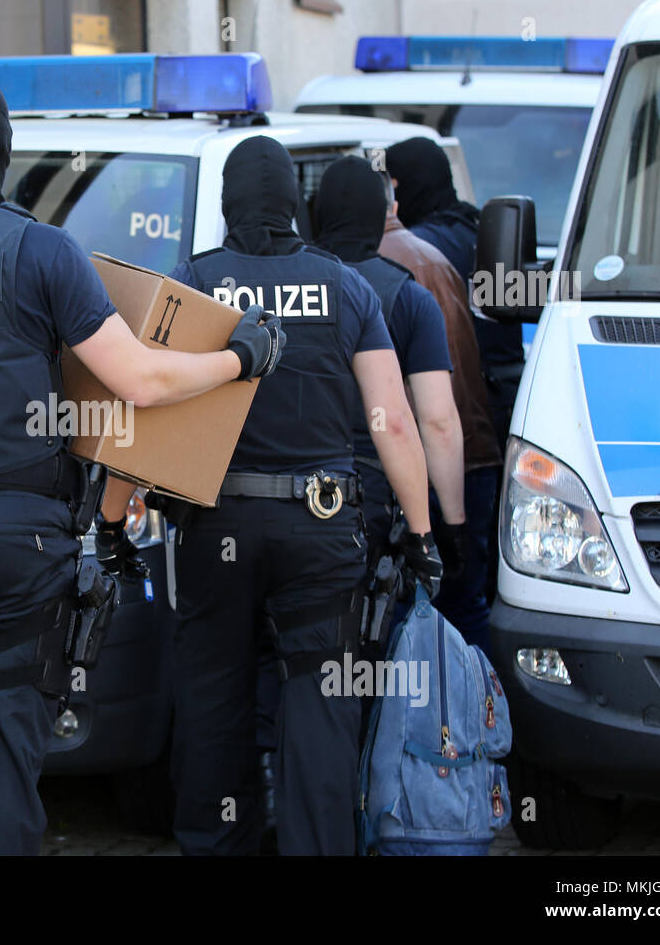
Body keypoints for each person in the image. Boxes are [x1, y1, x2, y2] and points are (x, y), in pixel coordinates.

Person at [0, 71, 284, 856]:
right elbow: (138, 381)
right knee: (1, 742)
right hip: (15, 537)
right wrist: (241, 357)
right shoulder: (37, 250)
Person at [166, 135, 442, 856]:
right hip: (320, 525)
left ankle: (217, 843)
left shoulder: (192, 282)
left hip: (214, 520)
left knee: (213, 693)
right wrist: (420, 534)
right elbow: (394, 422)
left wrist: (122, 513)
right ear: (295, 200)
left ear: (228, 200)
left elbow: (151, 408)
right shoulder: (345, 284)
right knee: (321, 700)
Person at [312, 155, 467, 581]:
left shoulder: (288, 287)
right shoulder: (410, 297)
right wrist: (447, 526)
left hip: (291, 500)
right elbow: (437, 421)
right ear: (380, 216)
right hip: (375, 500)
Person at [379, 167, 503, 652]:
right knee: (462, 605)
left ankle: (414, 724)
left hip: (410, 469)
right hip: (456, 465)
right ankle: (475, 721)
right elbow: (443, 414)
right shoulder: (426, 262)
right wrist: (452, 523)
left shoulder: (348, 268)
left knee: (404, 616)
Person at [385, 136, 522, 449]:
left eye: (394, 188)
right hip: (508, 396)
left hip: (459, 405)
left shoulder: (417, 249)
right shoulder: (480, 228)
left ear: (409, 185)